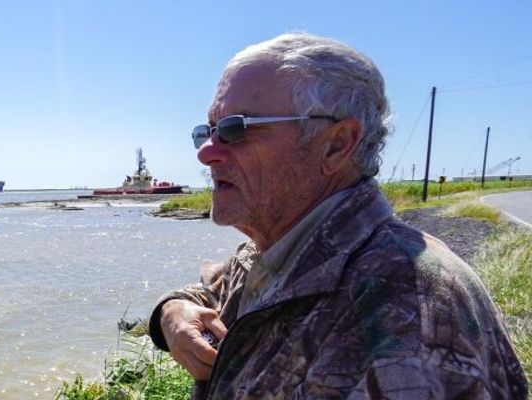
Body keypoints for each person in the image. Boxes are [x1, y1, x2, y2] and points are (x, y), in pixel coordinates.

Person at [147, 33, 527, 399]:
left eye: (235, 129)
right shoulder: (278, 250)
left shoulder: (406, 308)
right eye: (208, 131)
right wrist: (172, 314)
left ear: (336, 144)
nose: (206, 153)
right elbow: (216, 289)